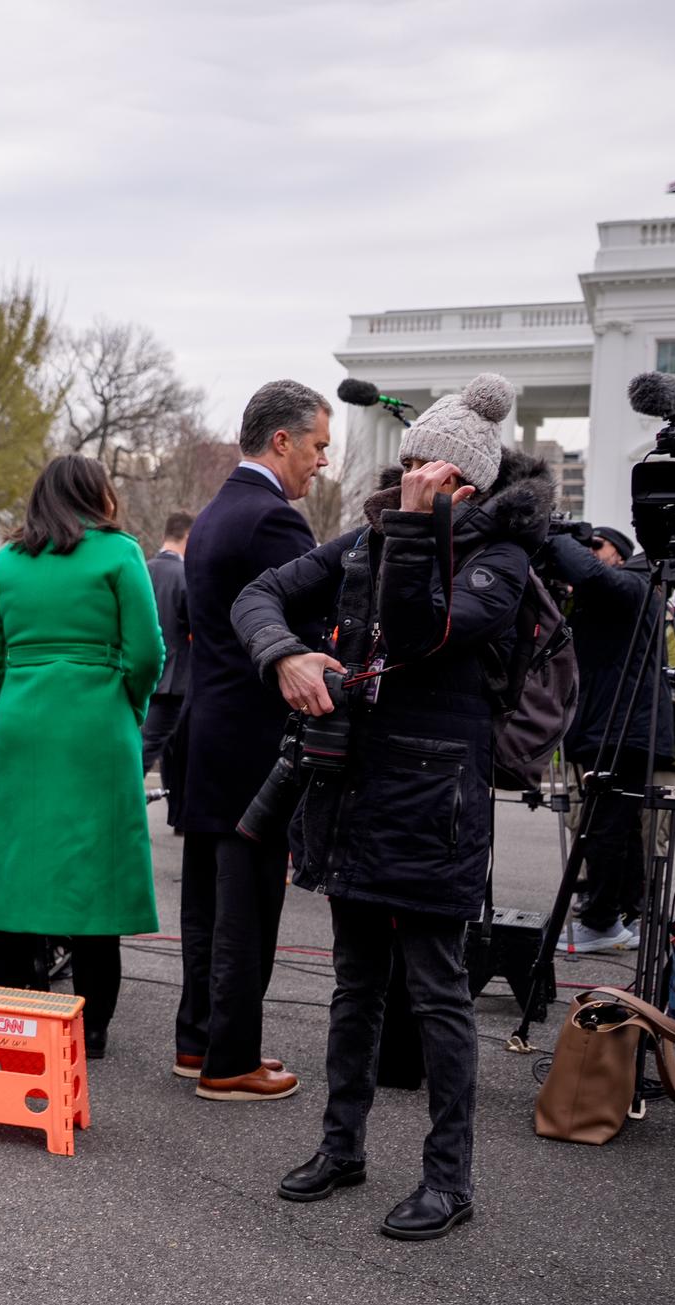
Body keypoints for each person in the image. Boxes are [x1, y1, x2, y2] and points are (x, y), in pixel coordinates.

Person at [235, 374, 546, 1240]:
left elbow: (419, 634)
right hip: (359, 791)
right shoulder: (371, 537)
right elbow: (255, 596)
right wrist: (287, 658)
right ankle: (343, 1146)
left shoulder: (502, 558)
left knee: (438, 993)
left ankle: (449, 1180)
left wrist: (412, 527)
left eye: (425, 469)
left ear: (467, 484)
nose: (404, 478)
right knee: (354, 986)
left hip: (437, 802)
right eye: (404, 465)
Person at [170, 380, 332, 1103]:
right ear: (283, 440)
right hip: (256, 738)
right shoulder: (272, 521)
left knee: (207, 900)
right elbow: (309, 628)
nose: (322, 462)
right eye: (319, 446)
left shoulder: (211, 515)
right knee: (248, 907)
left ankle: (197, 1039)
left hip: (209, 728)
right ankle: (230, 1060)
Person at [0, 457, 164, 1058]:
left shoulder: (6, 560)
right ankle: (91, 1029)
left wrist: (27, 685)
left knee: (15, 868)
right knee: (95, 875)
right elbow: (147, 653)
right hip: (97, 725)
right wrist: (124, 704)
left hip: (22, 726)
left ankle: (15, 1013)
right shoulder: (119, 554)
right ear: (97, 494)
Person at [534, 523, 667, 955]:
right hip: (613, 724)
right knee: (619, 827)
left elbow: (591, 575)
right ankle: (621, 914)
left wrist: (551, 536)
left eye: (596, 547)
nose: (587, 553)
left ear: (622, 555)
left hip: (623, 725)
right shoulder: (612, 594)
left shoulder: (633, 583)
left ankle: (603, 920)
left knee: (606, 826)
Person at [143, 512, 192, 797]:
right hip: (175, 676)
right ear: (187, 536)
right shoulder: (185, 576)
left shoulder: (143, 568)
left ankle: (176, 806)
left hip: (145, 670)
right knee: (154, 743)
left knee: (167, 742)